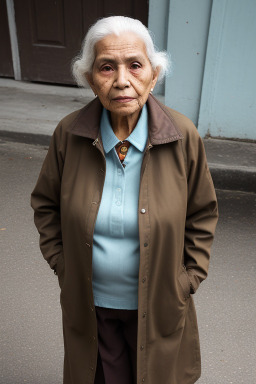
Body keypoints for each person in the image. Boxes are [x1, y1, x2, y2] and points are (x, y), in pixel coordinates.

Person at [31, 16, 218, 384]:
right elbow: (46, 205)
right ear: (89, 78)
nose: (121, 80)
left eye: (135, 65)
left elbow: (202, 212)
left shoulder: (182, 136)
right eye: (106, 67)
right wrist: (63, 266)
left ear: (154, 73)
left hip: (160, 302)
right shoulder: (69, 134)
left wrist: (187, 279)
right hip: (90, 303)